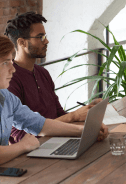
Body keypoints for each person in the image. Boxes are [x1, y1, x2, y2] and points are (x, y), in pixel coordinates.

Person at [0, 36, 108, 165]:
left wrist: (86, 131)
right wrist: (22, 146)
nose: (13, 69)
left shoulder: (6, 97)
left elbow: (39, 124)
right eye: (6, 63)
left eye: (11, 62)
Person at [4, 12, 104, 144]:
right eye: (40, 37)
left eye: (45, 36)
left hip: (57, 139)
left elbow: (59, 114)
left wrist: (85, 117)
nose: (46, 41)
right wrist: (74, 117)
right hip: (32, 151)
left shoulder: (42, 72)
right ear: (22, 42)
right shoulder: (9, 80)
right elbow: (19, 136)